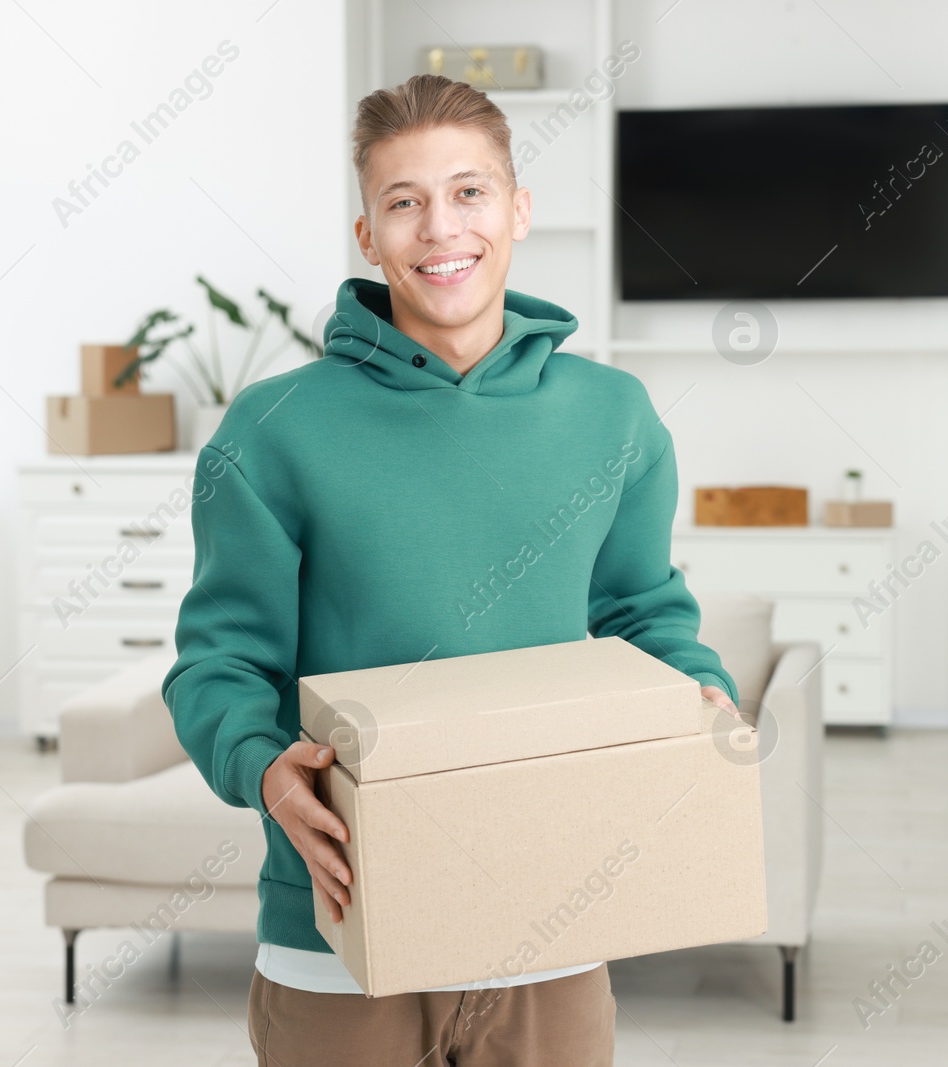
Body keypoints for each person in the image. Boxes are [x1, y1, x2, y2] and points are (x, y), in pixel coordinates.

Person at [162, 72, 740, 1067]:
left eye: (468, 191)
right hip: (338, 935)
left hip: (553, 922)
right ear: (367, 233)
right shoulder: (272, 431)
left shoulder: (614, 416)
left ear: (517, 209)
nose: (441, 227)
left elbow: (641, 609)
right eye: (404, 201)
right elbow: (216, 665)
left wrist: (706, 701)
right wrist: (262, 768)